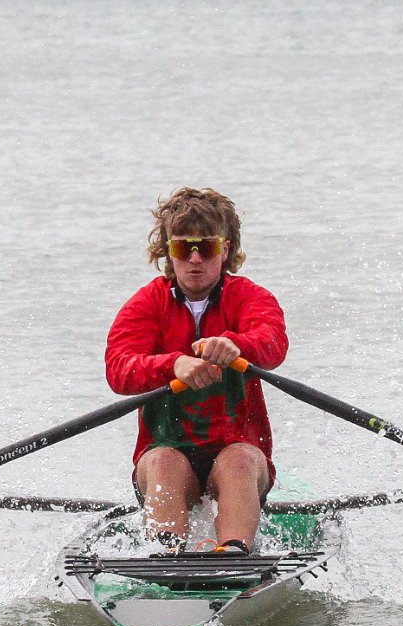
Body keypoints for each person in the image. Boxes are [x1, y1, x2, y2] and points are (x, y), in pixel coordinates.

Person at [104, 188, 288, 554]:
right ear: (167, 251)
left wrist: (238, 345)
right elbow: (118, 369)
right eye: (181, 248)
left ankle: (235, 553)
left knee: (238, 459)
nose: (193, 260)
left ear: (226, 248)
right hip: (166, 454)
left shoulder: (250, 298)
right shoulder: (147, 303)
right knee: (164, 461)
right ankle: (166, 555)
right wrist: (172, 364)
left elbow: (273, 344)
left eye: (204, 248)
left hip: (239, 456)